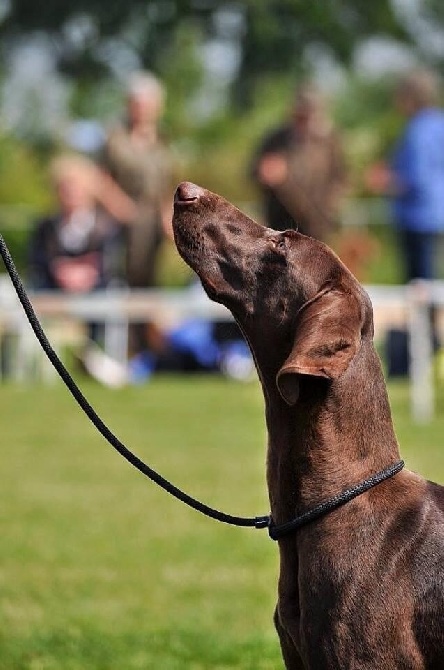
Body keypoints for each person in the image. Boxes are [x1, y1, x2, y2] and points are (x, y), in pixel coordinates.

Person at [27, 154, 128, 386]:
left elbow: (110, 262)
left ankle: (94, 357)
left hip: (96, 289)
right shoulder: (45, 226)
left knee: (106, 300)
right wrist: (59, 271)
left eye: (76, 187)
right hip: (53, 289)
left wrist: (86, 274)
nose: (70, 193)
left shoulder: (105, 226)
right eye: (65, 188)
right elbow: (38, 260)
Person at [100, 71, 174, 364]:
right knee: (123, 282)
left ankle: (147, 352)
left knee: (151, 284)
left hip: (153, 225)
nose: (141, 107)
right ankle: (122, 350)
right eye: (137, 101)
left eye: (147, 102)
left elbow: (167, 184)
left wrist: (169, 216)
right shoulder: (114, 139)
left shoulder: (162, 142)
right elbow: (101, 179)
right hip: (122, 224)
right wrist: (119, 205)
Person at [366, 68, 444, 283]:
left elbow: (416, 179)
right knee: (430, 281)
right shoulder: (439, 123)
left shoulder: (417, 131)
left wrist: (385, 180)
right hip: (436, 214)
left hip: (417, 218)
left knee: (419, 285)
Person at [251, 83, 347, 242]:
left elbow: (342, 176)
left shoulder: (330, 141)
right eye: (301, 114)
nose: (305, 120)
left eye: (310, 114)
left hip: (317, 227)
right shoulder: (275, 140)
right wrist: (267, 173)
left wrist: (331, 206)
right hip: (280, 225)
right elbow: (254, 171)